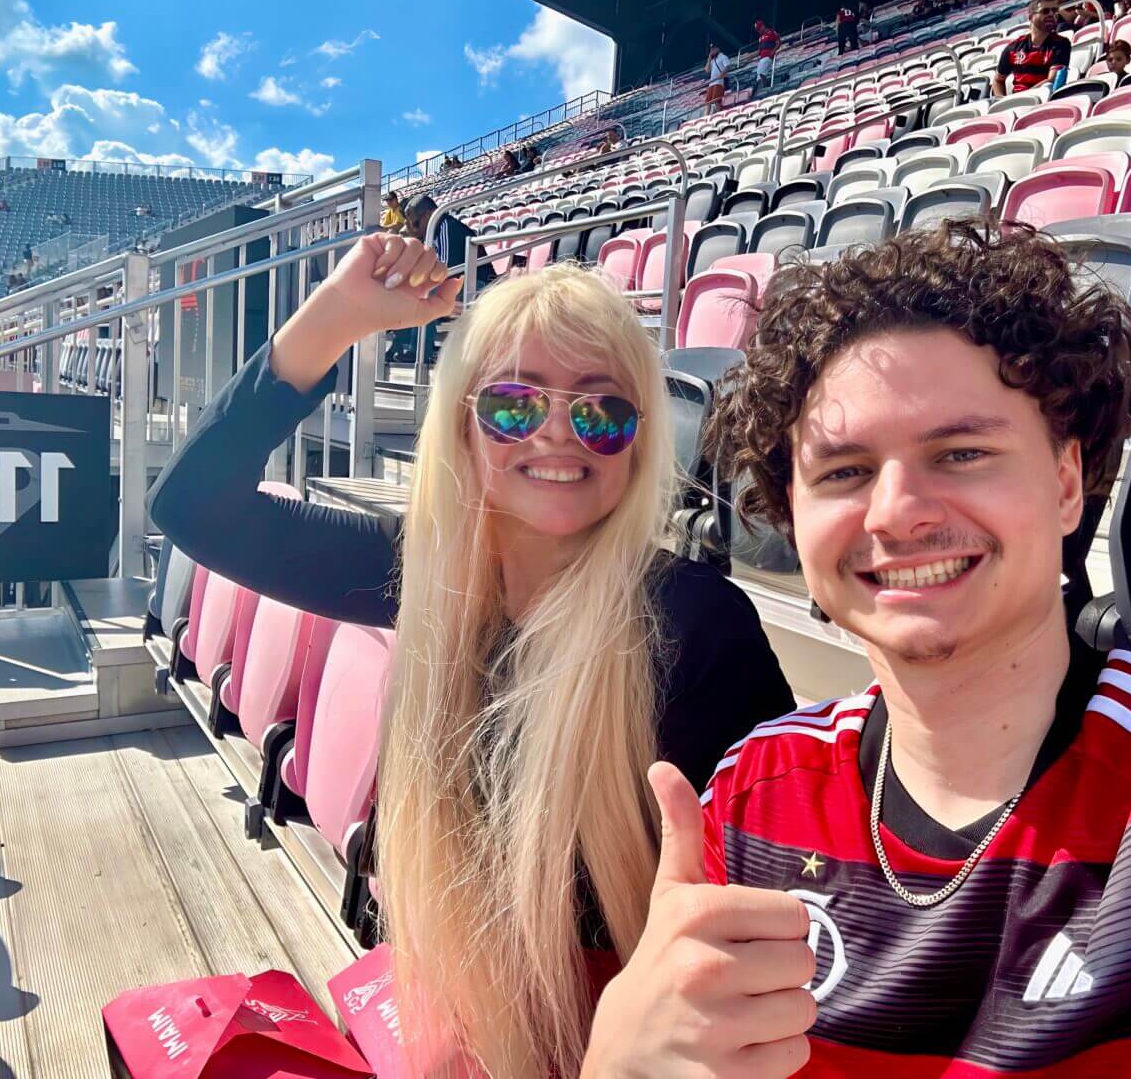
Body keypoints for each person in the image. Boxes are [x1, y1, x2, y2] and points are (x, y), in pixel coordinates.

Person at [585, 220, 1131, 1077]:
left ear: (1067, 483)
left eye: (960, 453)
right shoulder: (753, 796)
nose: (895, 512)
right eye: (843, 472)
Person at [149, 245, 795, 1079]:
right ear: (462, 424)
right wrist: (335, 319)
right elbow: (194, 505)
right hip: (465, 1032)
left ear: (638, 444)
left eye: (603, 410)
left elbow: (783, 896)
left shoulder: (696, 624)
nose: (561, 433)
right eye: (516, 406)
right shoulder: (428, 577)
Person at [384, 194, 494, 367]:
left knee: (424, 291)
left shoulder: (447, 228)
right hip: (459, 283)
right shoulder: (433, 233)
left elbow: (444, 270)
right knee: (408, 289)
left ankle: (418, 352)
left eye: (415, 222)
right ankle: (399, 346)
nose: (413, 227)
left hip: (477, 286)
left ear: (429, 215)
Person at [992, 0, 1071, 96]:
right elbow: (998, 80)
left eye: (1054, 11)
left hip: (1043, 101)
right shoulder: (1013, 48)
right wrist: (1003, 101)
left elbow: (1052, 82)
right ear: (1031, 17)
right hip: (1016, 104)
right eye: (1045, 11)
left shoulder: (1061, 44)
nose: (1051, 14)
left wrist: (1022, 97)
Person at [705, 42, 731, 114]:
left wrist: (721, 75)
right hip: (712, 82)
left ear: (718, 49)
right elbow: (707, 70)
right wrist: (709, 59)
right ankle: (706, 117)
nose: (712, 51)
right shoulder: (712, 60)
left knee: (716, 100)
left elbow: (727, 67)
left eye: (714, 49)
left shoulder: (723, 57)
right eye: (711, 49)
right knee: (708, 102)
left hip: (719, 81)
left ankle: (718, 114)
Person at [754, 19, 780, 89]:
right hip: (762, 58)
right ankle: (762, 89)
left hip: (768, 56)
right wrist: (749, 57)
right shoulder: (760, 38)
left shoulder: (771, 32)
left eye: (759, 29)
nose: (758, 31)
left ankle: (763, 89)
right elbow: (759, 51)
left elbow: (778, 43)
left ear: (763, 26)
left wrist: (773, 51)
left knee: (761, 74)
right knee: (759, 75)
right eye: (757, 30)